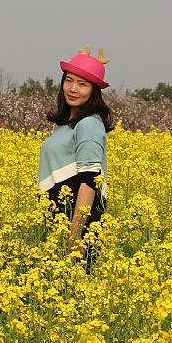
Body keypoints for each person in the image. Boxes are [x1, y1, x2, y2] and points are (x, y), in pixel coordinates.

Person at [37, 44, 114, 273]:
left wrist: (75, 237)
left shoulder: (89, 124)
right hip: (59, 223)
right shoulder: (69, 125)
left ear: (94, 91)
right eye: (69, 81)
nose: (73, 89)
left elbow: (90, 180)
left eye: (82, 84)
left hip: (75, 228)